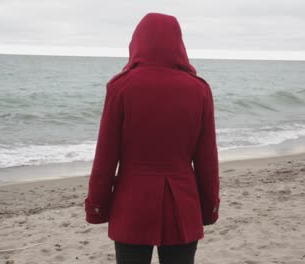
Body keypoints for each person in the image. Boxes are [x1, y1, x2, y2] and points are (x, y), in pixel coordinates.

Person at [85, 12, 220, 264]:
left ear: (137, 42)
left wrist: (97, 207)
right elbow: (207, 161)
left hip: (131, 205)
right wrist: (209, 208)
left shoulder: (121, 87)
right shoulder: (199, 90)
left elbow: (105, 158)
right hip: (183, 204)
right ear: (179, 44)